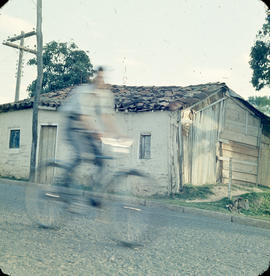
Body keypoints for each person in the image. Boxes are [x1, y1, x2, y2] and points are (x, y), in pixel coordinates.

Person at [60, 66, 123, 193]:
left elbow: (107, 117)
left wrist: (119, 135)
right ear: (94, 78)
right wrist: (97, 133)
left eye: (103, 78)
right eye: (99, 77)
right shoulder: (83, 92)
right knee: (80, 155)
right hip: (73, 125)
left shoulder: (104, 95)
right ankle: (63, 185)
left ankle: (95, 193)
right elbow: (84, 117)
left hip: (87, 128)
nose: (101, 80)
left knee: (101, 160)